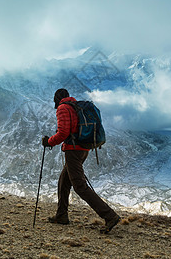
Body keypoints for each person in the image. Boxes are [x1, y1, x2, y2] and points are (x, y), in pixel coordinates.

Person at [42, 88, 120, 234]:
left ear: (57, 98)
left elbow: (63, 132)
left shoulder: (63, 108)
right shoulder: (76, 106)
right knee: (64, 181)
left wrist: (49, 142)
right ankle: (61, 215)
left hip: (73, 150)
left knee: (79, 186)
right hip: (84, 149)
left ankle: (110, 216)